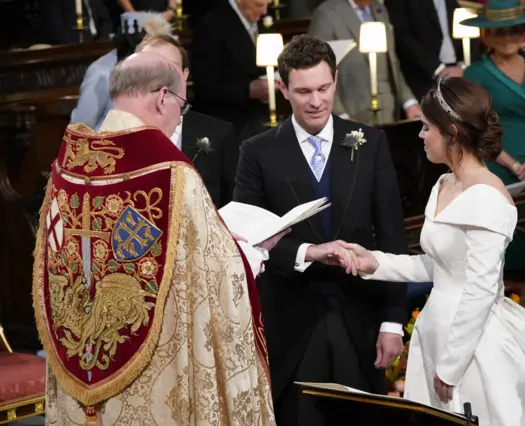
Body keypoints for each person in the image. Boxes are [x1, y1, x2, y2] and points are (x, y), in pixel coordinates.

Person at [330, 76, 525, 426]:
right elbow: (442, 268)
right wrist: (374, 262)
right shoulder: (444, 183)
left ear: (451, 132)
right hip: (438, 331)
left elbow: (479, 288)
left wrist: (451, 366)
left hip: (471, 346)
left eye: (425, 127)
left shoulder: (487, 197)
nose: (419, 136)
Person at [33, 51, 278, 425]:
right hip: (155, 371)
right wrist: (251, 252)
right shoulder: (171, 175)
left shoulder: (67, 169)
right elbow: (214, 274)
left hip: (79, 357)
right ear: (163, 98)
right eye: (181, 104)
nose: (180, 116)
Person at [233, 35, 408, 426]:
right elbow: (248, 241)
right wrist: (309, 252)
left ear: (336, 79)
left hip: (360, 317)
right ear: (283, 89)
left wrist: (393, 322)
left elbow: (393, 238)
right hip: (291, 321)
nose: (316, 101)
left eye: (324, 88)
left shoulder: (371, 143)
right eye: (304, 91)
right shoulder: (257, 152)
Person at [461, 0, 525, 298]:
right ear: (487, 35)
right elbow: (476, 132)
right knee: (503, 255)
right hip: (496, 173)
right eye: (500, 31)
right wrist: (515, 167)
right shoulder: (474, 75)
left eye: (515, 30)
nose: (509, 37)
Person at [136, 33, 240, 207]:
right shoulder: (118, 135)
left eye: (171, 67)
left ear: (184, 75)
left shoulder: (219, 134)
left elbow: (235, 205)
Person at [307, 0, 421, 124]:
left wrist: (409, 102)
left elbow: (392, 63)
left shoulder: (379, 9)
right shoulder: (327, 14)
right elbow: (317, 72)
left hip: (388, 110)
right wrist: (340, 115)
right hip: (352, 111)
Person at [190, 0, 271, 139]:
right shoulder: (211, 25)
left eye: (267, 5)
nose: (264, 11)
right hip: (228, 126)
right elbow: (204, 86)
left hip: (257, 120)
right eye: (259, 5)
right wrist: (248, 90)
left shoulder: (258, 20)